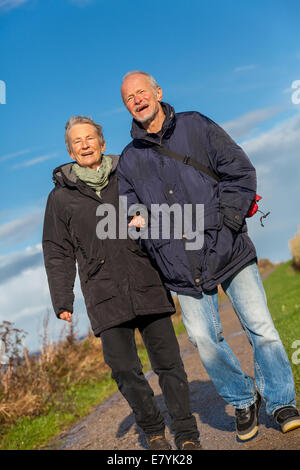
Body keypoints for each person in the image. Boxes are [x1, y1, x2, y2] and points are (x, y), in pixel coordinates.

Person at [117, 71, 300, 441]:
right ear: (126, 106)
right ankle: (244, 399)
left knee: (261, 328)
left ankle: (281, 402)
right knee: (204, 339)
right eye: (129, 97)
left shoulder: (196, 125)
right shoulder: (129, 159)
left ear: (158, 92)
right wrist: (138, 223)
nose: (137, 99)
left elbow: (240, 171)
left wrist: (227, 222)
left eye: (142, 92)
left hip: (227, 246)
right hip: (178, 263)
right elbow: (129, 206)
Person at [42, 115, 201, 451]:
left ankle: (187, 434)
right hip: (103, 295)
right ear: (70, 151)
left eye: (90, 138)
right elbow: (57, 251)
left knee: (169, 363)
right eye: (77, 142)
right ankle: (154, 430)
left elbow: (160, 209)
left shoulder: (128, 171)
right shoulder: (59, 199)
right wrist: (63, 300)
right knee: (124, 370)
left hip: (147, 279)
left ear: (102, 143)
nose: (85, 145)